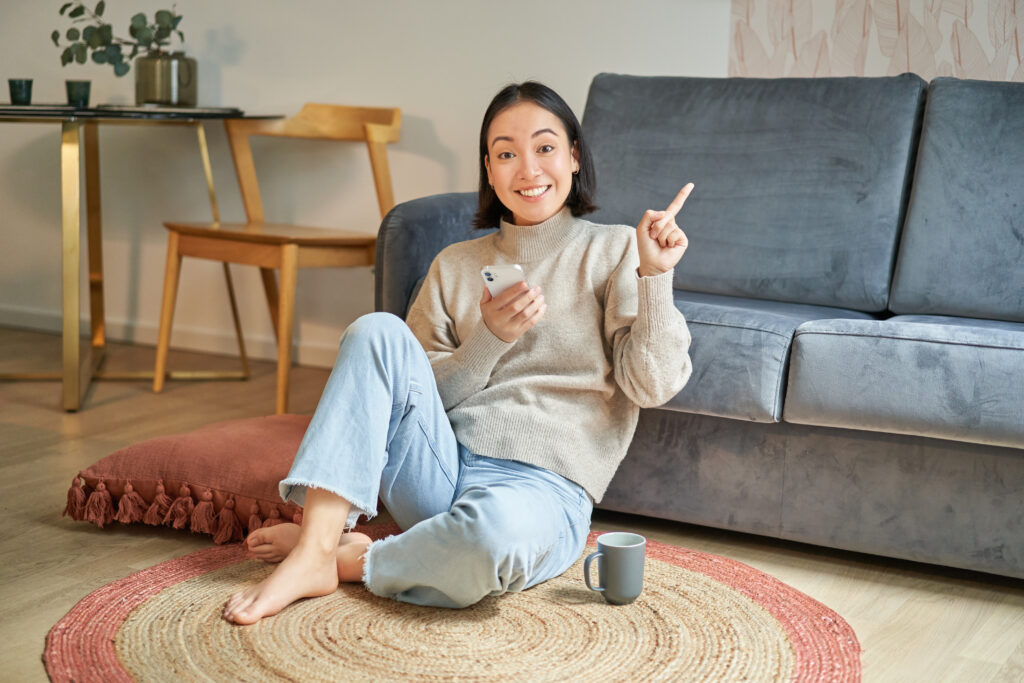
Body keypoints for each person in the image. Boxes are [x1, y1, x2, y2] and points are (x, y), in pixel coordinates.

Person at [223, 81, 694, 624]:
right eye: (506, 153)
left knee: (489, 541)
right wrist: (487, 341)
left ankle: (354, 559)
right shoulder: (455, 264)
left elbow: (651, 386)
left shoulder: (616, 251)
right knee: (377, 331)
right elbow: (413, 396)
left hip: (541, 490)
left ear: (573, 157)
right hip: (438, 466)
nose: (528, 169)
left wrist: (655, 276)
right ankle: (314, 549)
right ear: (489, 170)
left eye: (545, 148)